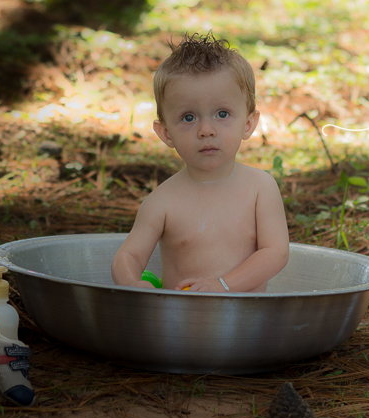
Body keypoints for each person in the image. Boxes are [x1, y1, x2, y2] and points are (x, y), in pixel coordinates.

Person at [111, 33, 290, 292]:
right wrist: (132, 284)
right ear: (166, 133)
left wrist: (223, 285)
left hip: (245, 322)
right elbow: (128, 257)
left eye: (222, 114)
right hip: (181, 322)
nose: (206, 130)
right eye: (188, 117)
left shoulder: (260, 188)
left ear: (248, 124)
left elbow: (276, 253)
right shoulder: (162, 201)